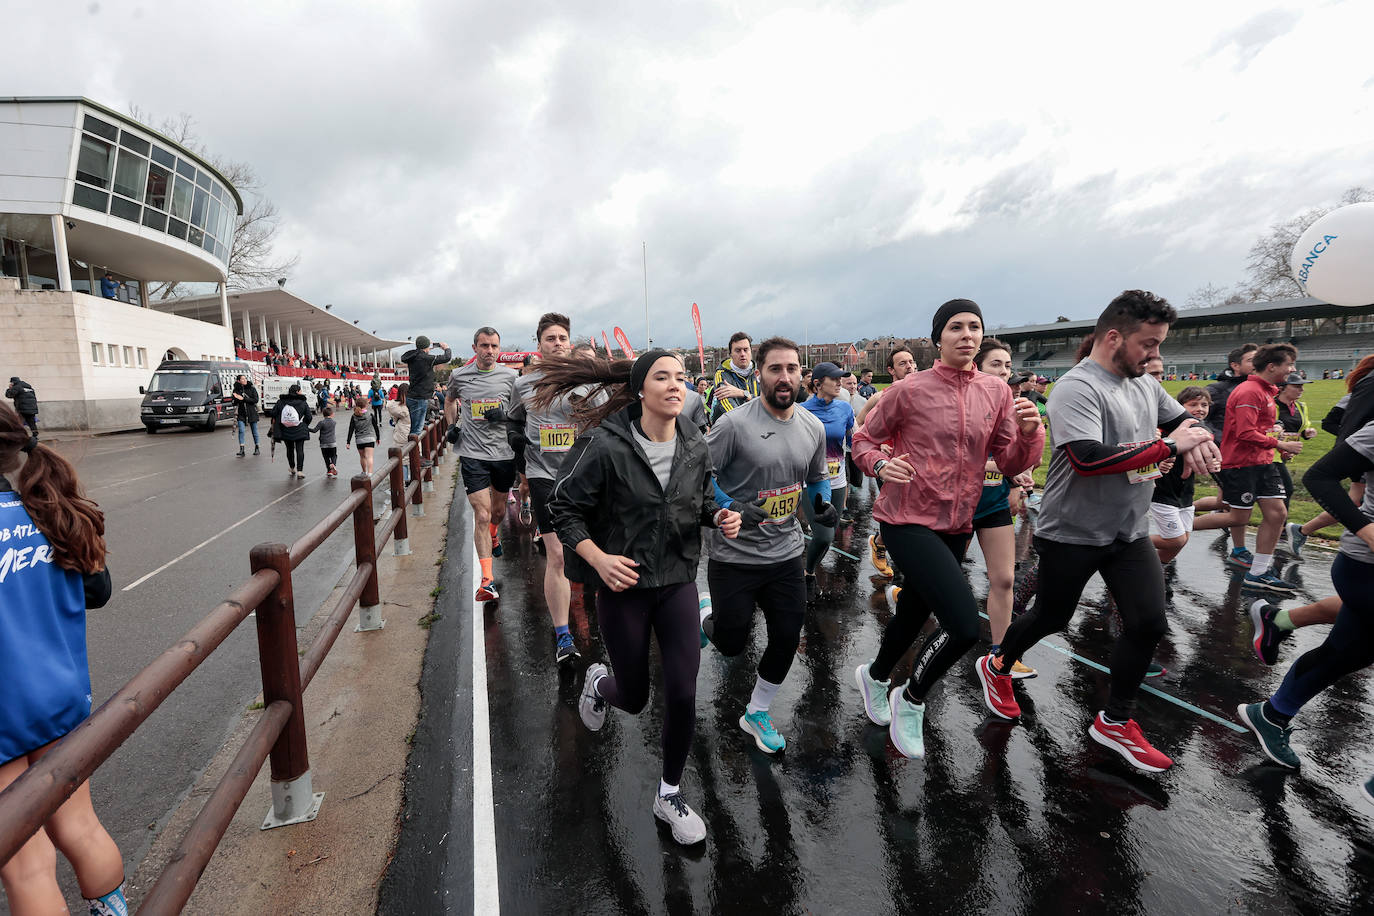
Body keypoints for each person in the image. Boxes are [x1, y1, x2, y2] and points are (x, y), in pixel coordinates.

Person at [977, 290, 1221, 773]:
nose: (1156, 357)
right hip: (1072, 531)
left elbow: (1183, 421)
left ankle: (1115, 720)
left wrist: (1199, 439)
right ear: (1114, 337)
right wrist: (1170, 446)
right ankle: (997, 663)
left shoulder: (1146, 386)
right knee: (1051, 617)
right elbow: (1089, 460)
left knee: (1148, 622)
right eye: (1148, 345)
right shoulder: (1076, 387)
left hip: (1128, 531)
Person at [546, 350, 742, 846]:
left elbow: (698, 503)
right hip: (624, 586)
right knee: (633, 699)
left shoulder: (694, 442)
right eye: (662, 377)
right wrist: (597, 559)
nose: (676, 385)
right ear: (640, 390)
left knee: (681, 693)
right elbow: (563, 507)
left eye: (681, 377)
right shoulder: (604, 445)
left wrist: (719, 517)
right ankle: (599, 682)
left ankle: (669, 793)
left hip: (676, 580)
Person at [851, 300, 1044, 759]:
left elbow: (1012, 460)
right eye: (955, 327)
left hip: (957, 522)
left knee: (915, 612)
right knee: (961, 624)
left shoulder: (995, 392)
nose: (967, 334)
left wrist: (1030, 433)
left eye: (975, 327)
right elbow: (862, 439)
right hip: (905, 518)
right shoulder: (909, 389)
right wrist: (880, 463)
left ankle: (875, 676)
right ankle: (912, 699)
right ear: (938, 338)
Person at [0, 402, 128, 916]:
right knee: (80, 826)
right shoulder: (46, 509)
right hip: (59, 697)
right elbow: (97, 591)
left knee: (26, 865)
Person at [702, 336, 830, 753]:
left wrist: (822, 505)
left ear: (801, 374)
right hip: (734, 555)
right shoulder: (733, 424)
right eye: (776, 369)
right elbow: (700, 478)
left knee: (787, 635)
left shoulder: (812, 426)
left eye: (792, 368)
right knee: (732, 643)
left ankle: (756, 711)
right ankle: (707, 618)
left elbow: (814, 479)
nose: (785, 377)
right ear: (759, 374)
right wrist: (731, 504)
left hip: (786, 553)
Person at [1236, 415, 1374, 795]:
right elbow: (1320, 477)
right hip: (1366, 566)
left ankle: (1272, 712)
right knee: (1348, 651)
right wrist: (1366, 530)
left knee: (1347, 653)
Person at [1190, 344, 1302, 592]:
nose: (1293, 370)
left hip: (1262, 461)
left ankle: (1259, 572)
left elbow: (1259, 430)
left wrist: (1278, 445)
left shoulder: (1265, 392)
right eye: (1289, 365)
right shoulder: (1250, 392)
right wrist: (1279, 442)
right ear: (1272, 367)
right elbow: (1244, 432)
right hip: (1242, 463)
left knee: (1277, 514)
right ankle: (1175, 528)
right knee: (1239, 517)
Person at [510, 313, 585, 663]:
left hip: (584, 477)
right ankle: (563, 635)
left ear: (569, 342)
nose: (557, 343)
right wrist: (516, 442)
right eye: (550, 338)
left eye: (562, 338)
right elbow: (513, 418)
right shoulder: (524, 383)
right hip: (544, 476)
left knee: (589, 550)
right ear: (538, 344)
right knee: (557, 555)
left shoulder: (586, 382)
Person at [444, 327, 519, 602]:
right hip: (473, 453)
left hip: (503, 454)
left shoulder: (512, 377)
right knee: (482, 514)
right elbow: (450, 400)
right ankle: (486, 581)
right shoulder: (459, 375)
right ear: (474, 347)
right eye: (484, 346)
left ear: (499, 349)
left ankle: (495, 535)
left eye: (494, 346)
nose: (489, 351)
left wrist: (505, 415)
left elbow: (521, 412)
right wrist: (451, 426)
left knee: (497, 514)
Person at [1288, 354, 1374, 556]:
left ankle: (1302, 530)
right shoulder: (1361, 391)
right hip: (1359, 452)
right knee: (1354, 502)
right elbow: (1329, 422)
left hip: (1359, 449)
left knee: (1357, 503)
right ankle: (1303, 531)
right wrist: (1356, 440)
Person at [857, 346, 918, 579]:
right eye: (903, 363)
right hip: (891, 467)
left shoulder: (924, 393)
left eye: (911, 361)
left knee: (913, 516)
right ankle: (883, 546)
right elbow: (860, 425)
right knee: (898, 515)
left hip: (920, 465)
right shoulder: (880, 397)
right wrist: (877, 445)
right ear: (891, 370)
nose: (910, 366)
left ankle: (882, 542)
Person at [799, 362, 854, 597]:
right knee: (824, 535)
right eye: (835, 379)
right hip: (811, 482)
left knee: (826, 537)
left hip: (838, 480)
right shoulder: (801, 410)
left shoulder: (844, 408)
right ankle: (808, 573)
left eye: (841, 378)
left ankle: (808, 572)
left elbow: (852, 439)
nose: (839, 382)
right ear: (818, 384)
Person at [1149, 387, 1211, 565]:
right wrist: (1158, 464)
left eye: (1204, 405)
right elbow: (1150, 456)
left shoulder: (1204, 432)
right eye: (1193, 404)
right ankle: (1127, 545)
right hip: (1164, 493)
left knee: (1182, 541)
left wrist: (1213, 463)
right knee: (1176, 540)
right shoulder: (1170, 433)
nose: (1200, 408)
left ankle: (1152, 569)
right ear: (1178, 408)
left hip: (1186, 494)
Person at [1272, 372, 1317, 511]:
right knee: (1286, 488)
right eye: (1297, 386)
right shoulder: (1271, 405)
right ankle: (1281, 528)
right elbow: (1268, 430)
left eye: (1302, 386)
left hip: (1284, 454)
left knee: (1268, 491)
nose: (1301, 390)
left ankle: (1227, 508)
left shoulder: (1301, 407)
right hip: (1270, 454)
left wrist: (1307, 432)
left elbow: (1302, 427)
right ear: (1282, 387)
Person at [400, 336, 452, 437]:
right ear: (425, 347)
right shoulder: (426, 358)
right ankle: (414, 452)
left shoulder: (412, 356)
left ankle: (412, 450)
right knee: (417, 429)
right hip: (420, 398)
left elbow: (408, 355)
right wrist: (446, 348)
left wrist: (425, 349)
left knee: (413, 426)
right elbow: (447, 357)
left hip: (411, 396)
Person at [710, 332, 760, 424]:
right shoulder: (721, 374)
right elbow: (729, 408)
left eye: (746, 350)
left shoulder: (761, 371)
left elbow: (768, 404)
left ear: (751, 351)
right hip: (733, 428)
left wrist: (744, 394)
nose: (742, 354)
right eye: (738, 350)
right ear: (730, 354)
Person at [270, 383, 313, 479]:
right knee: (300, 449)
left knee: (289, 449)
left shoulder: (281, 402)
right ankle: (300, 471)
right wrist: (304, 424)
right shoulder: (303, 402)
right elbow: (309, 416)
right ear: (297, 392)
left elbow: (273, 413)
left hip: (285, 429)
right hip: (300, 429)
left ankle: (292, 467)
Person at [344, 397, 379, 474]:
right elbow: (376, 427)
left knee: (362, 457)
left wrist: (348, 442)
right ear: (366, 405)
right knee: (369, 457)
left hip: (359, 440)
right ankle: (370, 474)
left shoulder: (354, 416)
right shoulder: (370, 415)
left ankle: (364, 471)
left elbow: (351, 429)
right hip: (370, 438)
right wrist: (378, 438)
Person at [232, 375, 261, 457]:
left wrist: (244, 399)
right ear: (238, 381)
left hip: (251, 412)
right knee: (241, 430)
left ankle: (257, 447)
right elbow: (234, 402)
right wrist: (235, 399)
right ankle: (242, 449)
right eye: (242, 379)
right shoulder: (236, 390)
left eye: (245, 378)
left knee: (254, 431)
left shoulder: (251, 388)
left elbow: (256, 400)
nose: (244, 380)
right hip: (241, 413)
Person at [312, 406, 339, 478]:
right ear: (332, 414)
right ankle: (333, 464)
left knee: (326, 457)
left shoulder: (321, 423)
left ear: (323, 414)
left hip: (323, 443)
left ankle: (329, 471)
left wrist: (306, 428)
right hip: (332, 442)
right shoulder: (334, 422)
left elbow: (314, 430)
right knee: (334, 455)